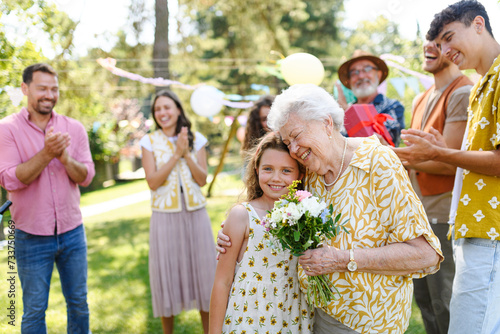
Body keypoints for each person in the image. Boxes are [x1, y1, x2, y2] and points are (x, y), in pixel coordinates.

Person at [217, 83, 443, 334]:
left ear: (326, 123)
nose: (292, 149)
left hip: (369, 323)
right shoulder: (310, 172)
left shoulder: (377, 163)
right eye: (287, 141)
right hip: (313, 316)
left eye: (296, 136)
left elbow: (425, 254)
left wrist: (344, 259)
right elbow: (271, 207)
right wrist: (232, 236)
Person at [393, 1, 500, 333]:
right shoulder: (483, 82)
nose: (447, 50)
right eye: (440, 45)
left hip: (491, 230)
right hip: (471, 225)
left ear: (479, 24)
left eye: (450, 38)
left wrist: (440, 154)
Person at [0, 63, 95, 333]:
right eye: (42, 88)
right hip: (29, 235)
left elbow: (86, 176)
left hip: (72, 231)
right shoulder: (6, 129)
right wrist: (47, 154)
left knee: (79, 303)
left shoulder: (73, 128)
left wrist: (64, 158)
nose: (49, 95)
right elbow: (9, 179)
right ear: (25, 88)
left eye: (54, 89)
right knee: (33, 310)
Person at [209, 132, 314, 333]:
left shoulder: (306, 216)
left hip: (292, 317)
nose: (276, 178)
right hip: (250, 318)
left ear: (300, 174)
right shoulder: (242, 215)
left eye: (286, 170)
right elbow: (222, 281)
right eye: (268, 169)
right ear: (256, 169)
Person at [403, 38, 473, 334]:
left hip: (443, 213)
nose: (428, 47)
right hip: (416, 213)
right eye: (426, 42)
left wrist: (392, 155)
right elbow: (417, 154)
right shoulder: (421, 98)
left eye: (439, 41)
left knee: (444, 301)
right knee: (425, 301)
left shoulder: (463, 92)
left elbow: (449, 162)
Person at [140, 89, 216, 334]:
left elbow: (202, 179)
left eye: (167, 107)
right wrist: (175, 155)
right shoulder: (148, 142)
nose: (163, 113)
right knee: (167, 277)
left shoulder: (198, 139)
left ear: (178, 110)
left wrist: (187, 154)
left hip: (196, 215)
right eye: (158, 109)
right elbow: (153, 181)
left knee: (204, 277)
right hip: (165, 217)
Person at [336, 50, 406, 146]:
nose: (360, 76)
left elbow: (380, 144)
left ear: (378, 74)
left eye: (367, 69)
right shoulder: (339, 115)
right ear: (349, 81)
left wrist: (348, 112)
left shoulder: (392, 106)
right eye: (354, 72)